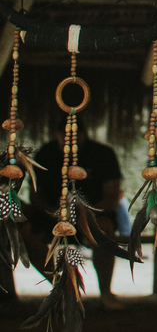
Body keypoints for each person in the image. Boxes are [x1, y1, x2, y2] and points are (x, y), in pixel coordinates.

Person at [26, 116, 124, 308]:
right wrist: (52, 212)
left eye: (75, 136)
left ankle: (106, 292)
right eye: (65, 137)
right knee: (28, 235)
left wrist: (86, 214)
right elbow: (35, 195)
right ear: (57, 135)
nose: (70, 141)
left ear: (83, 135)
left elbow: (112, 195)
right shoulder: (45, 154)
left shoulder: (103, 154)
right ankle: (61, 287)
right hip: (53, 216)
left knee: (105, 231)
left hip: (93, 216)